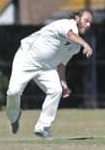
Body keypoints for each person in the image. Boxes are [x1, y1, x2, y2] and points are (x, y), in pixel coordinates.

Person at [6, 10, 93, 140]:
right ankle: (14, 116)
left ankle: (43, 127)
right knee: (13, 92)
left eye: (90, 23)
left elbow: (61, 64)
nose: (88, 25)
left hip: (47, 68)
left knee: (56, 90)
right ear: (76, 18)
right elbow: (70, 35)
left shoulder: (76, 47)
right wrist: (85, 43)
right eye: (86, 20)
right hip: (26, 59)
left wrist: (63, 83)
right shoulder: (66, 25)